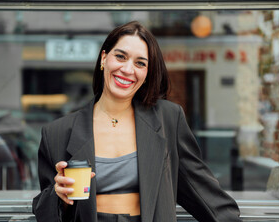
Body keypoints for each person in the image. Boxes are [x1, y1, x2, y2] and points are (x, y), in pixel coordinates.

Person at [32, 21, 242, 222]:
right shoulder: (57, 133)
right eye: (121, 57)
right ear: (104, 58)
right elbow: (46, 212)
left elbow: (201, 190)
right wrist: (60, 197)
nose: (128, 70)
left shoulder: (169, 119)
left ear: (147, 72)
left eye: (140, 63)